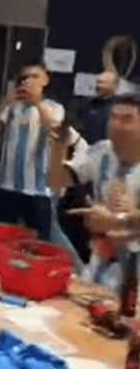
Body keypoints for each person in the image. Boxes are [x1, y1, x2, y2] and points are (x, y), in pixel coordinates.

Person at [47, 94, 140, 291]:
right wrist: (58, 147)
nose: (116, 125)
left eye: (127, 119)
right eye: (113, 117)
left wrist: (118, 220)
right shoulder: (102, 151)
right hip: (98, 269)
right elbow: (56, 179)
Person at [0, 60, 64, 240]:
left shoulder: (53, 108)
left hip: (37, 189)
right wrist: (4, 103)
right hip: (6, 186)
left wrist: (36, 103)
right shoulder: (12, 108)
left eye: (35, 77)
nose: (29, 81)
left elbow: (55, 129)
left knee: (37, 242)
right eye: (25, 77)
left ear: (45, 80)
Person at [78, 70, 119, 145]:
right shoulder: (88, 104)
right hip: (88, 148)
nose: (99, 85)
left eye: (104, 83)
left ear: (114, 85)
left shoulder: (119, 107)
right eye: (98, 82)